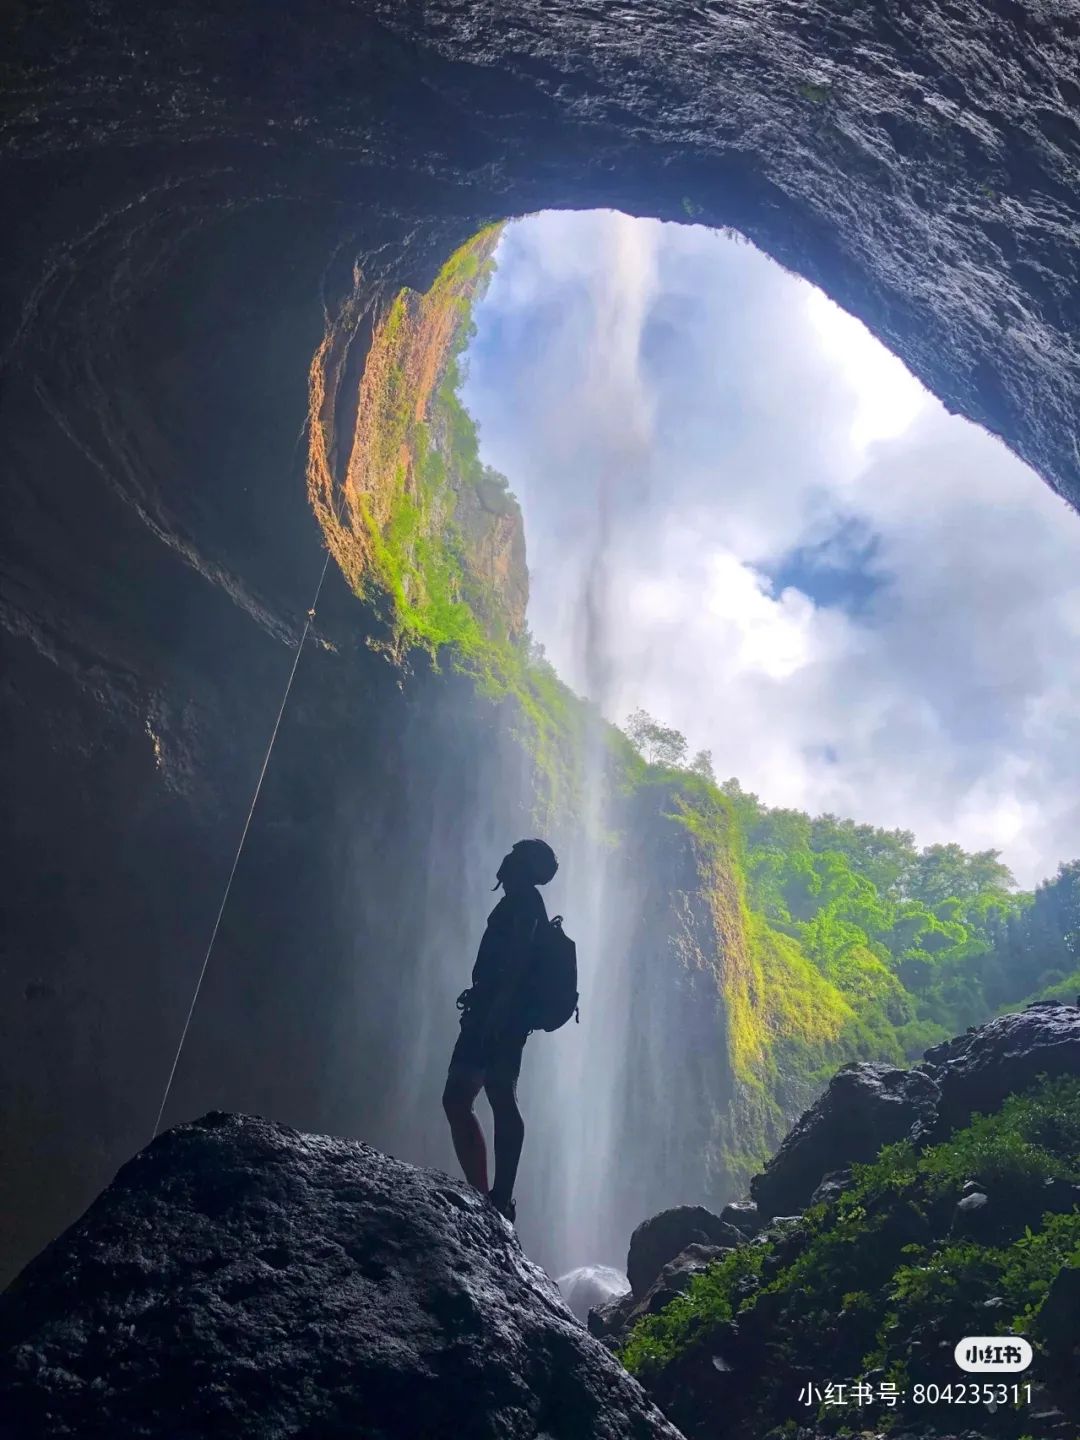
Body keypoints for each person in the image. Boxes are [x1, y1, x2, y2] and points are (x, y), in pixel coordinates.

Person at [442, 838, 558, 1223]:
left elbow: (521, 956)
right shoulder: (518, 901)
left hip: (502, 1015)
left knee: (496, 1093)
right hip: (489, 1010)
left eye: (512, 856)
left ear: (522, 866)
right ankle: (483, 1195)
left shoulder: (525, 903)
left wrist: (500, 1007)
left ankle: (500, 1199)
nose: (503, 861)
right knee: (460, 1096)